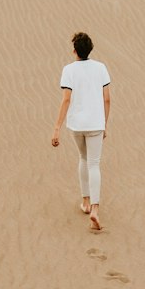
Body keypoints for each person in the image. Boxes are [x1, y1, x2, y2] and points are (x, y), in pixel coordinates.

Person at [51, 31, 111, 230]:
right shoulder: (101, 68)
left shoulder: (68, 70)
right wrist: (105, 124)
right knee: (94, 163)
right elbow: (107, 98)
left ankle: (85, 201)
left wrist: (57, 128)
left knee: (83, 159)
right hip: (96, 123)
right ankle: (94, 208)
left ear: (74, 50)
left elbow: (66, 99)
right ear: (90, 49)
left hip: (77, 124)